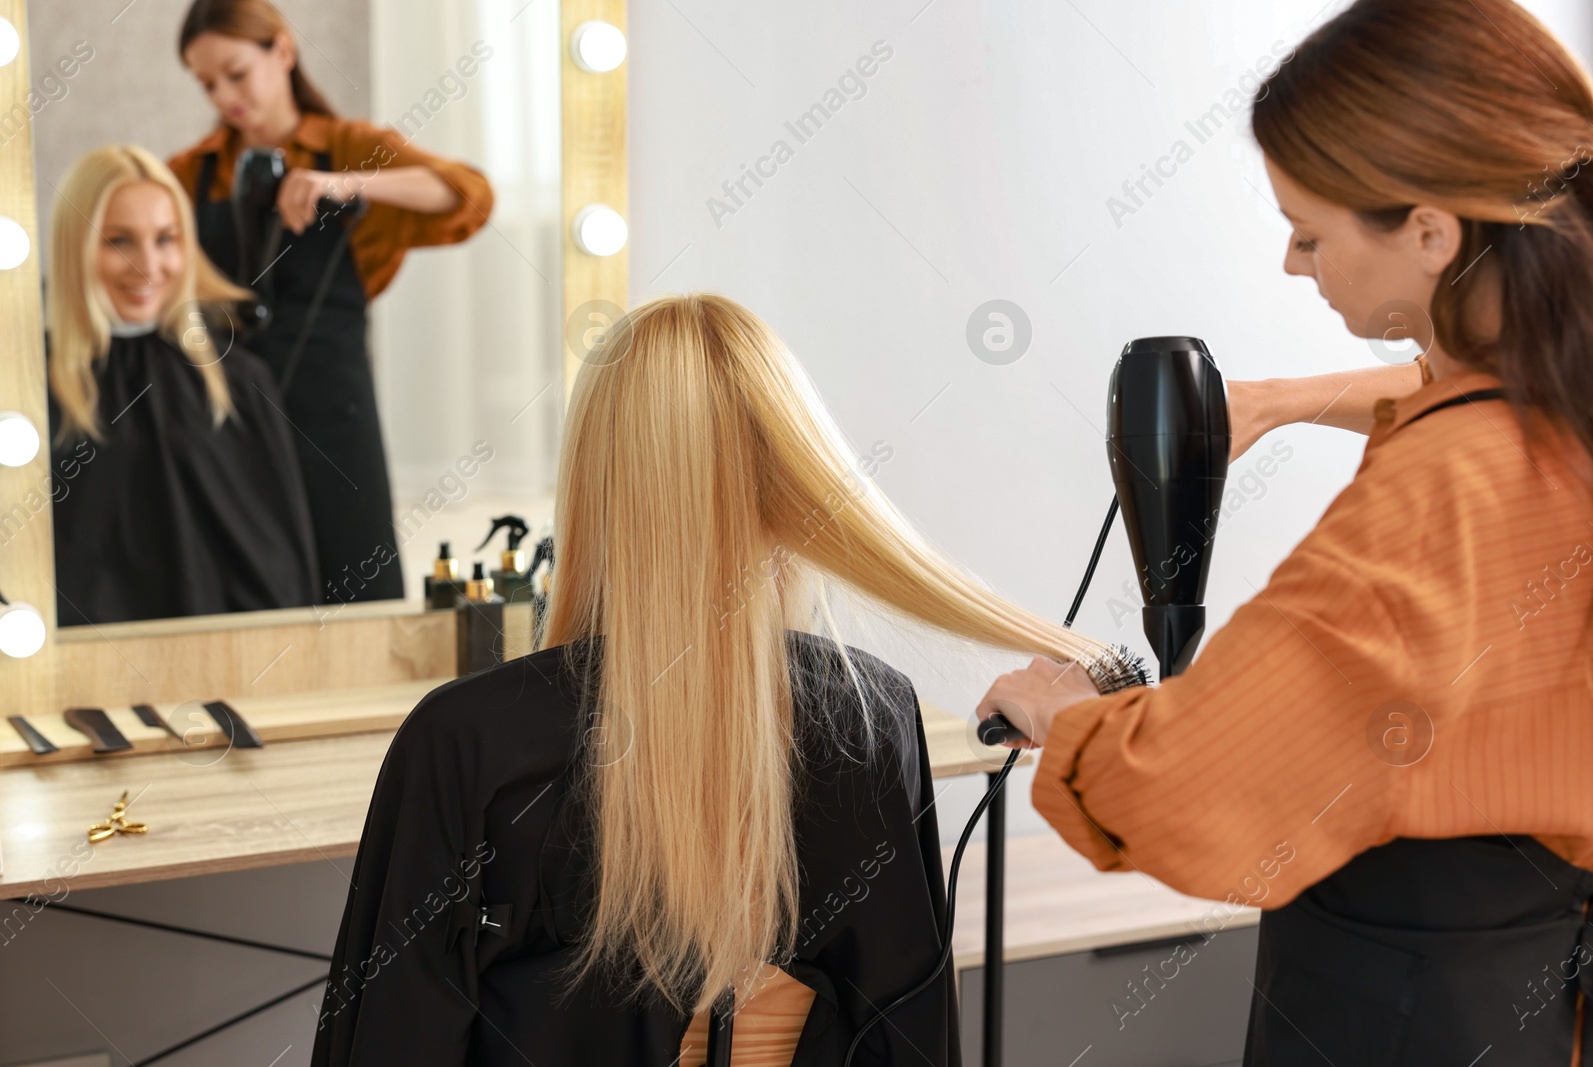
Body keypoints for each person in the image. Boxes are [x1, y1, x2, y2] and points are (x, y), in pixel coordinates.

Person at [979, 1, 1593, 1063]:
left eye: (1308, 231)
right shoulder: (1566, 399)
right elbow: (1474, 384)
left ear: (1429, 233)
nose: (1289, 263)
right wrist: (1282, 399)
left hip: (1402, 1004)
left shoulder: (1435, 495)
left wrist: (1070, 712)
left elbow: (1199, 784)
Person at [309, 294, 1123, 1066]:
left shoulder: (466, 741)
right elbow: (907, 1034)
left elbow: (384, 1040)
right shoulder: (872, 715)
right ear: (792, 486)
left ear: (596, 481)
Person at [167, 0, 495, 606]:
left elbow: (468, 196)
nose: (223, 97)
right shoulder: (189, 174)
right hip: (225, 399)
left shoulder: (347, 145)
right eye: (207, 83)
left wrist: (345, 183)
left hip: (332, 403)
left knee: (354, 575)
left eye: (235, 73)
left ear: (283, 52)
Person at [46, 144, 318, 625]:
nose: (147, 267)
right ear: (76, 246)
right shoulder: (27, 397)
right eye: (119, 242)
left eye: (166, 239)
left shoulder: (237, 381)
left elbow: (280, 567)